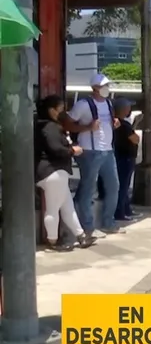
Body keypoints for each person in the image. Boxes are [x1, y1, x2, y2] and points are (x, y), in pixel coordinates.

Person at [34, 95, 97, 251]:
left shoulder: (46, 126)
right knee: (54, 208)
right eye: (61, 108)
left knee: (67, 207)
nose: (63, 112)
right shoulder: (50, 127)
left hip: (54, 172)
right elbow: (55, 148)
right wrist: (72, 150)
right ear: (52, 110)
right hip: (53, 171)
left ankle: (81, 236)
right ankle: (52, 241)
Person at [68, 74, 123, 236]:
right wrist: (87, 128)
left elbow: (107, 126)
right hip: (90, 151)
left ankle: (108, 222)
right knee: (88, 188)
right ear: (94, 88)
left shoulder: (108, 104)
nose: (107, 88)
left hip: (107, 151)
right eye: (104, 86)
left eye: (108, 85)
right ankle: (87, 227)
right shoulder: (83, 105)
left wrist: (115, 124)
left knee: (114, 186)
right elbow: (68, 124)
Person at [113, 99, 140, 221]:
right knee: (123, 186)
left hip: (121, 156)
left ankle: (126, 209)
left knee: (124, 185)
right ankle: (120, 212)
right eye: (128, 108)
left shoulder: (119, 124)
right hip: (126, 158)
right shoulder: (123, 124)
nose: (130, 110)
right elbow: (135, 139)